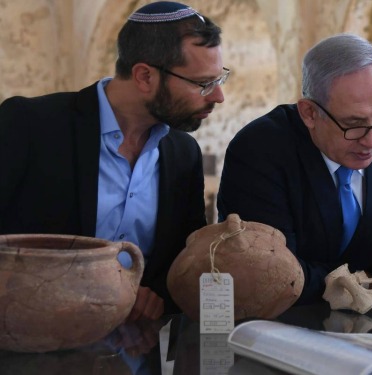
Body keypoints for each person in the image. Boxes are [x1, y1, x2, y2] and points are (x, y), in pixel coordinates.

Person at [0, 2, 227, 321]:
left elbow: (179, 261)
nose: (218, 97)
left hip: (135, 353)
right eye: (203, 83)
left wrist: (154, 296)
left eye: (220, 79)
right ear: (145, 76)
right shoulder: (31, 125)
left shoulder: (183, 153)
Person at [217, 33, 372, 320]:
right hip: (281, 325)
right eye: (353, 124)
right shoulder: (260, 151)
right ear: (309, 113)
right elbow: (275, 269)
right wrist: (366, 279)